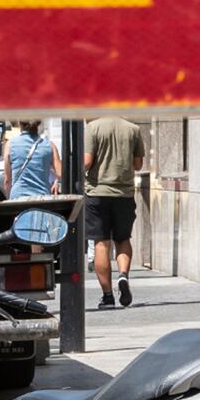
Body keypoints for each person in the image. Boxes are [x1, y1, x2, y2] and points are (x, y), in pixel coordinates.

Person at [81, 112, 144, 308]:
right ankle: (123, 275)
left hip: (97, 193)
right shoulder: (133, 129)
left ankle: (108, 296)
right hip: (124, 194)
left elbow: (87, 162)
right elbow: (138, 164)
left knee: (101, 243)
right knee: (123, 239)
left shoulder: (92, 128)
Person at [0, 118, 60, 244]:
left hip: (18, 198)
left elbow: (7, 179)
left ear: (20, 123)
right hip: (41, 198)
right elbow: (60, 172)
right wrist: (56, 181)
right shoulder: (49, 145)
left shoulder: (10, 144)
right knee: (36, 235)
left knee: (20, 232)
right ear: (38, 124)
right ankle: (37, 254)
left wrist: (9, 197)